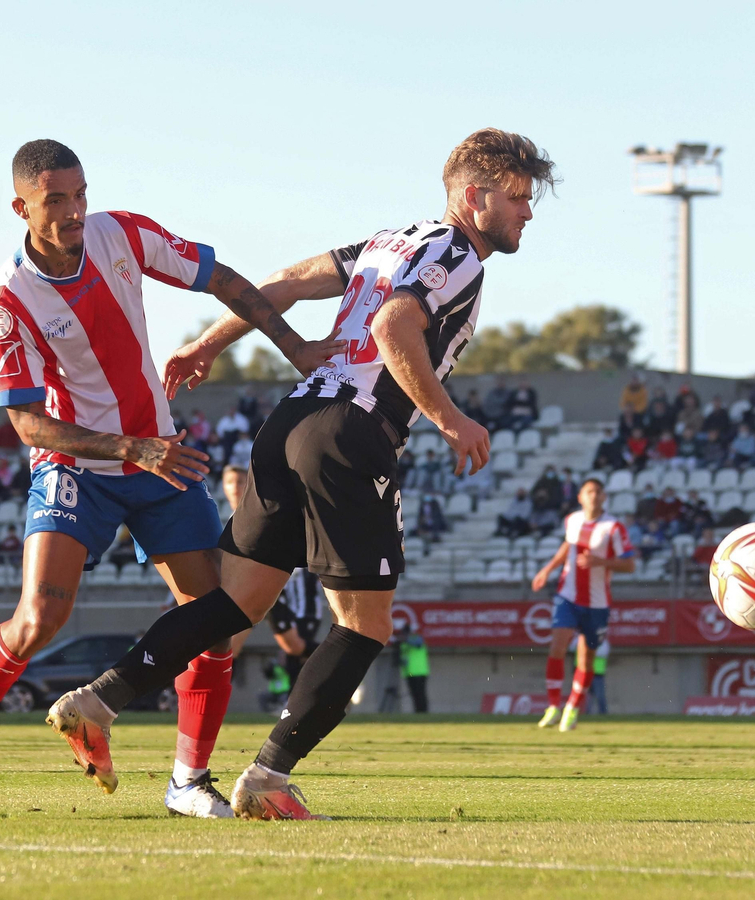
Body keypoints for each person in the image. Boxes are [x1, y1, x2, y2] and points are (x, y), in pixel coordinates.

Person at [52, 128, 556, 820]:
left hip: (288, 423)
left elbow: (284, 283)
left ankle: (97, 699)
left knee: (231, 608)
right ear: (474, 198)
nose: (527, 212)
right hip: (350, 437)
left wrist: (206, 343)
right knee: (365, 625)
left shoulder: (388, 241)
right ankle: (266, 776)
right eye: (518, 197)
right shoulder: (458, 254)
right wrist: (450, 420)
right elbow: (393, 330)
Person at [0, 139, 337, 821]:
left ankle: (188, 781)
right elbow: (25, 424)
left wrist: (296, 349)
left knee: (217, 625)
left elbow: (223, 279)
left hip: (157, 457)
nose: (76, 210)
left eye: (80, 194)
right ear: (21, 207)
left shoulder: (123, 234)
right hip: (78, 465)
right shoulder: (6, 301)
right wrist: (128, 447)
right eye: (57, 200)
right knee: (38, 620)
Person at [529, 479, 635, 732]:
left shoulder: (613, 527)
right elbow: (568, 546)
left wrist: (602, 562)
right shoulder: (572, 521)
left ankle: (573, 707)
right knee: (557, 646)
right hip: (567, 596)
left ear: (604, 497)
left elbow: (630, 565)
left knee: (586, 661)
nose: (594, 495)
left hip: (597, 603)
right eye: (589, 491)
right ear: (580, 497)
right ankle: (554, 706)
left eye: (598, 491)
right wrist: (548, 569)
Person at [268, 568, 324, 689]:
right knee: (294, 655)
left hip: (307, 611)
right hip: (291, 608)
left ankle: (341, 662)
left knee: (295, 654)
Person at [396, 624, 429, 713]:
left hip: (420, 672)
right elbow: (402, 658)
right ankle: (418, 711)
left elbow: (418, 643)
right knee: (414, 694)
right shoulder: (403, 644)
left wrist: (406, 639)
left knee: (420, 694)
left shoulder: (416, 639)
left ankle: (423, 711)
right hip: (409, 673)